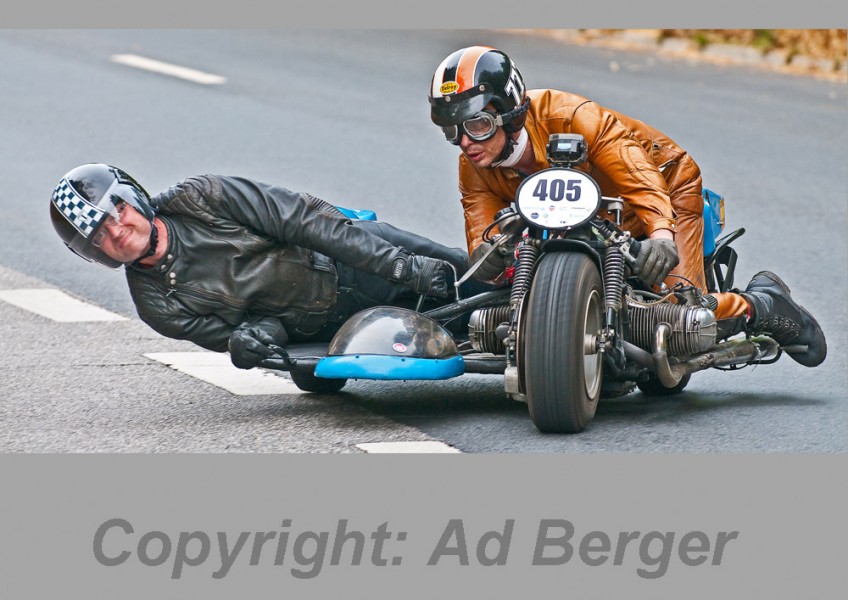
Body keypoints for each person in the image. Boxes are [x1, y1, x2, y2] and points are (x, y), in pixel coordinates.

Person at [427, 45, 826, 367]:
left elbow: (640, 176)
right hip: (577, 222)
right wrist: (493, 260)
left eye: (477, 125)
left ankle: (762, 303)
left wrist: (662, 234)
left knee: (682, 323)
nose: (465, 142)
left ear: (509, 112)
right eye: (452, 130)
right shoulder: (473, 166)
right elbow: (484, 243)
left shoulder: (571, 116)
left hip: (665, 187)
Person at [49, 163, 471, 369]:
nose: (117, 231)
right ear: (95, 251)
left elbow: (307, 222)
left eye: (115, 213)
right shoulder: (157, 306)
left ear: (131, 198)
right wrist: (250, 339)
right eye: (99, 235)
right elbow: (257, 331)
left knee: (475, 276)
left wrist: (400, 265)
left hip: (356, 259)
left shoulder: (202, 197)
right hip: (327, 330)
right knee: (458, 335)